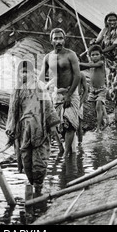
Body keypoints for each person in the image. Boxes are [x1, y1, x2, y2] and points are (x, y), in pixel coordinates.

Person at [6, 60, 61, 195]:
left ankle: (38, 187)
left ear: (32, 73)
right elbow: (12, 112)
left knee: (39, 161)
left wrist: (52, 125)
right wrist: (11, 131)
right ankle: (33, 184)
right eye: (22, 72)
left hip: (39, 127)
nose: (24, 74)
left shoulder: (39, 87)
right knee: (26, 161)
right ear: (18, 74)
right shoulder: (17, 90)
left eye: (27, 72)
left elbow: (48, 105)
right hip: (23, 130)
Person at [39, 28, 82, 157]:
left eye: (60, 38)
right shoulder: (48, 57)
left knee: (70, 125)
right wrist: (40, 91)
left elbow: (77, 76)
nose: (58, 41)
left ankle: (66, 155)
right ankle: (67, 150)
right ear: (51, 40)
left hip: (71, 92)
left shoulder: (70, 54)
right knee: (60, 126)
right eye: (55, 38)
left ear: (64, 40)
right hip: (57, 94)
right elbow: (41, 77)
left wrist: (69, 95)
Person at [92, 12, 117, 123]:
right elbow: (97, 41)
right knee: (111, 87)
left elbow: (115, 45)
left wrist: (101, 51)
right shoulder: (104, 30)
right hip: (109, 62)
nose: (111, 22)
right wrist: (93, 44)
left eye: (114, 20)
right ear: (106, 21)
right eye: (109, 20)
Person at [80, 45, 109, 132]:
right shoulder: (90, 63)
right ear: (90, 56)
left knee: (98, 106)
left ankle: (98, 128)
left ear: (101, 55)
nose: (95, 56)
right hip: (92, 90)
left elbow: (89, 65)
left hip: (101, 90)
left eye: (97, 54)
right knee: (95, 109)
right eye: (92, 55)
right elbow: (83, 60)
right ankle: (105, 121)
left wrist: (78, 64)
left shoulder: (100, 63)